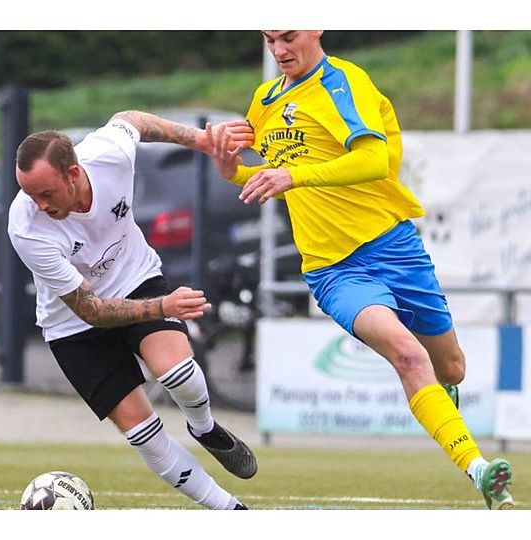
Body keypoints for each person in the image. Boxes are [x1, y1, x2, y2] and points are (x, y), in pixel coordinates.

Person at [209, 30, 514, 510]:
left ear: (316, 28)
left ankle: (439, 397)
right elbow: (268, 176)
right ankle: (479, 470)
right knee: (409, 356)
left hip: (394, 247)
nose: (279, 50)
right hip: (334, 270)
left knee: (450, 367)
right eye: (270, 40)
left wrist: (295, 175)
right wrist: (233, 172)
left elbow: (372, 160)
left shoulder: (345, 83)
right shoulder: (265, 99)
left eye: (288, 37)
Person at [8, 111, 256, 510]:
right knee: (144, 432)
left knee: (178, 373)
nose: (37, 204)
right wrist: (164, 306)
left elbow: (133, 121)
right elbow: (90, 310)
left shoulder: (107, 154)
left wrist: (201, 140)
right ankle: (230, 511)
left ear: (74, 173)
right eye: (29, 194)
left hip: (134, 277)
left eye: (46, 194)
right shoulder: (25, 227)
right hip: (71, 324)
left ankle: (205, 428)